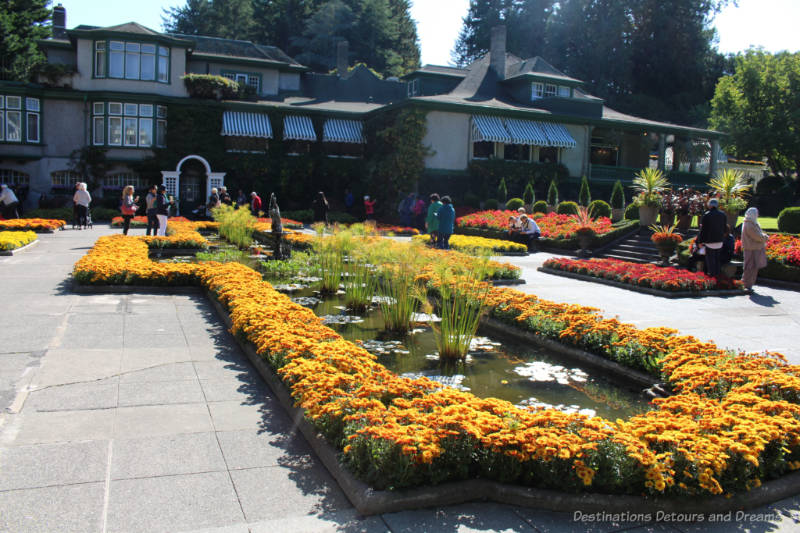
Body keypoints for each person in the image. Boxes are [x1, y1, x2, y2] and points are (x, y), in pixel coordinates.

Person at [696, 198, 727, 277]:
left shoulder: (707, 215)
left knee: (711, 261)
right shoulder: (723, 214)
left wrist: (700, 242)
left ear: (709, 205)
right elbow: (725, 228)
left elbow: (703, 230)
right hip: (720, 240)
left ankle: (712, 277)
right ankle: (718, 276)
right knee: (717, 260)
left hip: (710, 241)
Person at [740, 207, 769, 291]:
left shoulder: (751, 223)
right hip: (751, 248)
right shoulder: (749, 224)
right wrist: (765, 237)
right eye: (756, 213)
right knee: (750, 267)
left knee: (752, 267)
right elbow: (757, 236)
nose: (758, 215)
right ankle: (747, 284)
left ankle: (748, 284)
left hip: (753, 248)